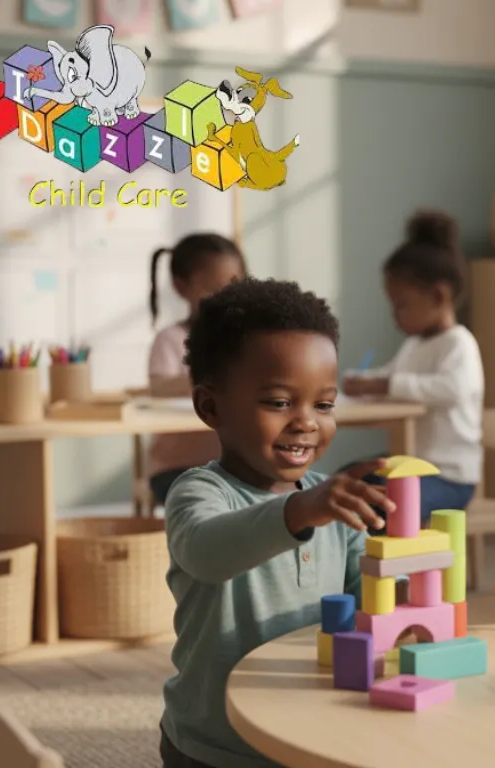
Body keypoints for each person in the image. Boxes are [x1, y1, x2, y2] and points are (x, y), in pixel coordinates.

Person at [159, 277, 392, 768]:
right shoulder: (200, 492)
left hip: (308, 735)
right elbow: (207, 550)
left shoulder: (334, 502)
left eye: (324, 405)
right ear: (211, 407)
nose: (307, 421)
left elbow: (368, 600)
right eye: (279, 402)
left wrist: (408, 585)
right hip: (214, 746)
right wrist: (303, 511)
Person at [341, 210, 484, 525]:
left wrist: (382, 386)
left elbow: (448, 389)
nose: (395, 316)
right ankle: (354, 565)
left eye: (401, 304)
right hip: (410, 466)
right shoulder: (415, 345)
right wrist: (364, 381)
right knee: (345, 481)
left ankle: (393, 569)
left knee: (381, 498)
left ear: (438, 295)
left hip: (449, 479)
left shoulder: (459, 344)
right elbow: (392, 376)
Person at [147, 233, 247, 506]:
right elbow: (159, 388)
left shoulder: (248, 341)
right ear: (181, 287)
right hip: (178, 468)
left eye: (234, 284)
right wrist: (218, 375)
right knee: (210, 506)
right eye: (213, 288)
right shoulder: (171, 338)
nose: (226, 296)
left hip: (237, 466)